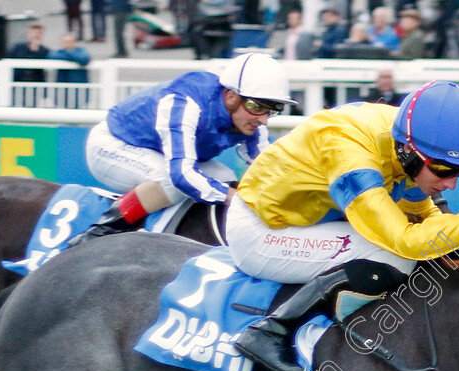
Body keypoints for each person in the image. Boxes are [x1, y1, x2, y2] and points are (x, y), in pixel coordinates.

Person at [226, 80, 459, 371]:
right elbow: (406, 242)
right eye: (444, 170)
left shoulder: (409, 141)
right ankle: (272, 330)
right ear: (409, 151)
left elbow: (428, 218)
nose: (451, 184)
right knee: (392, 256)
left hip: (307, 222)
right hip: (259, 231)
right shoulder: (351, 151)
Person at [70, 53, 295, 244]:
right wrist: (237, 199)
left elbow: (268, 167)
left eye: (271, 111)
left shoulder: (251, 117)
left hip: (160, 151)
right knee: (174, 181)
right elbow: (181, 175)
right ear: (230, 97)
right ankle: (97, 234)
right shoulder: (186, 102)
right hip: (113, 145)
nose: (263, 120)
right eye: (257, 107)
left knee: (224, 177)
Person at [6, 23, 50, 107]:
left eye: (39, 33)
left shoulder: (45, 50)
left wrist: (35, 50)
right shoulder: (17, 48)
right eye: (35, 33)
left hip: (35, 86)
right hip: (17, 84)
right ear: (29, 34)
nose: (36, 36)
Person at [48, 33, 91, 109]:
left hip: (78, 90)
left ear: (75, 42)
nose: (68, 44)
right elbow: (51, 56)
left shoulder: (81, 51)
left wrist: (67, 53)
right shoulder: (58, 52)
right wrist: (72, 56)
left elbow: (84, 59)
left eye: (70, 41)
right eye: (65, 42)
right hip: (62, 90)